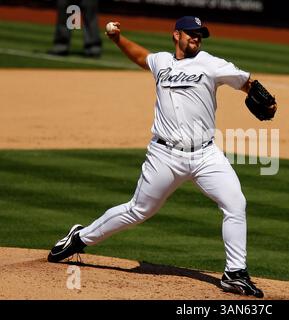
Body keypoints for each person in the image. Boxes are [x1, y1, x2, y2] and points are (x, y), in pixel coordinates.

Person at [47, 16, 271, 298]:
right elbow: (141, 57)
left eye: (200, 34)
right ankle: (80, 238)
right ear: (176, 35)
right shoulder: (161, 62)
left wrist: (261, 95)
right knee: (138, 211)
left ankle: (235, 273)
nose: (197, 38)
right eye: (191, 33)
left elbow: (245, 81)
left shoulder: (211, 64)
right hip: (164, 155)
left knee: (235, 203)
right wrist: (117, 40)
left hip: (205, 154)